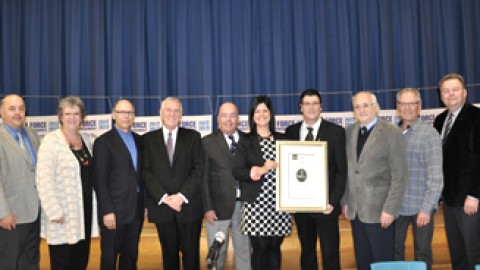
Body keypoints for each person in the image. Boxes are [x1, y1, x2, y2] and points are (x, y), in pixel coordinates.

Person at [342, 91, 408, 270]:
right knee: (363, 262)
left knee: (383, 263)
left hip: (381, 213)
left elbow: (400, 176)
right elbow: (349, 171)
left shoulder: (391, 132)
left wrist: (390, 209)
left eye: (366, 105)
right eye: (357, 107)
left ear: (376, 107)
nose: (361, 110)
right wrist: (346, 201)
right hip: (356, 212)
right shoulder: (349, 132)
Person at [285, 89, 346, 270]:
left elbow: (341, 171)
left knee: (330, 253)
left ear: (321, 107)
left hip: (326, 206)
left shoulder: (336, 132)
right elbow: (287, 170)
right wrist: (289, 200)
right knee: (307, 252)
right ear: (300, 108)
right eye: (307, 104)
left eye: (315, 103)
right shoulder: (291, 131)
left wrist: (333, 201)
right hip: (302, 207)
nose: (311, 107)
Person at [142, 97, 204, 270]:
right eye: (168, 110)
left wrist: (181, 197)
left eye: (176, 110)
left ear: (181, 115)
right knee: (169, 257)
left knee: (191, 257)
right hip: (163, 208)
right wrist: (165, 197)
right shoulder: (148, 139)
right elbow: (146, 172)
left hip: (188, 209)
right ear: (161, 113)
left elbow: (198, 170)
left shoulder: (193, 137)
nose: (172, 114)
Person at [233, 95, 292, 270]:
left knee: (274, 248)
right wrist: (259, 170)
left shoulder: (284, 139)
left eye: (265, 110)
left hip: (279, 205)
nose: (261, 114)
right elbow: (237, 171)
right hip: (256, 205)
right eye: (257, 111)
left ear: (271, 114)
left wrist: (293, 199)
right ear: (252, 116)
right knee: (260, 249)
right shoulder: (246, 141)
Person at [36, 96, 94, 269]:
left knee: (80, 259)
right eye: (68, 113)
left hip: (84, 211)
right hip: (62, 213)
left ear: (82, 117)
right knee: (62, 261)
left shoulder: (86, 140)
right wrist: (54, 211)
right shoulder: (50, 141)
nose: (72, 117)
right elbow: (43, 179)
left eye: (76, 113)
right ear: (60, 116)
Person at [433, 73, 480, 269]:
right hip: (450, 199)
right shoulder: (440, 119)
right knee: (457, 251)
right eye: (446, 91)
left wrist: (474, 194)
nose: (451, 94)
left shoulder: (476, 117)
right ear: (441, 96)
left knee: (474, 251)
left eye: (455, 90)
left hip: (469, 199)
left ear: (465, 93)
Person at [92, 99, 145, 269]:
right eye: (122, 112)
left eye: (129, 112)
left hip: (135, 208)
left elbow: (141, 175)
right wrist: (107, 211)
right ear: (114, 115)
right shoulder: (103, 142)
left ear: (134, 116)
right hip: (113, 211)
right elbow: (100, 180)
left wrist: (145, 204)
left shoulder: (140, 140)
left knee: (130, 255)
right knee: (110, 256)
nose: (126, 116)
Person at [394, 88, 443, 270]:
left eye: (412, 103)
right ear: (398, 107)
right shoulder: (393, 133)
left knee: (422, 253)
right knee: (395, 252)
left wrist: (426, 208)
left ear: (419, 106)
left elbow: (436, 175)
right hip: (397, 207)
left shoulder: (430, 134)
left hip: (420, 208)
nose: (407, 108)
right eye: (403, 104)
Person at [201, 102, 251, 270]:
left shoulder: (249, 141)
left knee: (245, 254)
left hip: (246, 208)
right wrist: (207, 207)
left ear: (238, 119)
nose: (228, 119)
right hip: (217, 209)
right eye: (224, 115)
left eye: (232, 115)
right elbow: (203, 179)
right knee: (216, 256)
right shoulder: (207, 143)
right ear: (218, 120)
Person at [0, 94, 41, 270]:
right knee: (9, 263)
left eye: (21, 108)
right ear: (1, 112)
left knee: (30, 262)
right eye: (12, 108)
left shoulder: (32, 134)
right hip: (11, 216)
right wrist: (3, 213)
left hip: (34, 213)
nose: (18, 112)